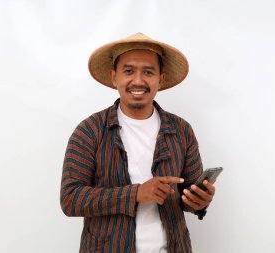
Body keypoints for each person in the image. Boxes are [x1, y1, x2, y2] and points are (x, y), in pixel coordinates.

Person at [60, 32, 216, 253]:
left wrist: (199, 201)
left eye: (148, 72)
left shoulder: (181, 130)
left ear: (160, 79)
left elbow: (186, 196)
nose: (138, 81)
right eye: (129, 71)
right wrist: (136, 193)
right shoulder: (89, 131)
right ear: (114, 77)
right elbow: (70, 199)